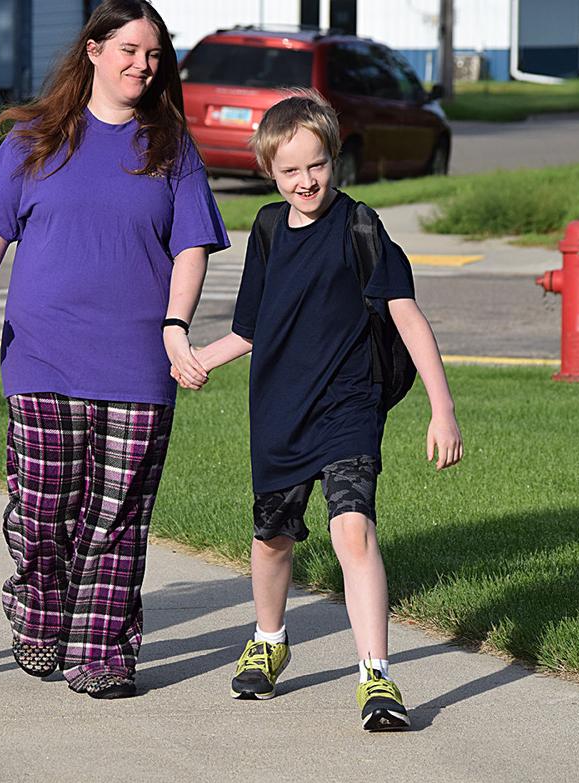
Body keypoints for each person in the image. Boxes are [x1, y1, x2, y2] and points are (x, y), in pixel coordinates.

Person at [0, 0, 229, 699]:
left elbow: (192, 245)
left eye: (155, 54)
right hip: (43, 353)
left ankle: (102, 651)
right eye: (131, 50)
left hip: (140, 361)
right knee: (44, 506)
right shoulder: (36, 139)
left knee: (119, 517)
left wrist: (175, 325)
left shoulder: (170, 146)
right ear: (95, 51)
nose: (143, 65)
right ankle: (41, 612)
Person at [185, 91, 463, 730]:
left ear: (333, 158)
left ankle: (377, 678)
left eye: (316, 165)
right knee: (272, 539)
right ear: (270, 173)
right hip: (280, 408)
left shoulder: (362, 227)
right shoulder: (265, 230)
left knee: (352, 530)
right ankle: (269, 637)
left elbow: (408, 318)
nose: (306, 181)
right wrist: (197, 358)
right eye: (290, 171)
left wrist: (441, 409)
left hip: (348, 406)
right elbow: (251, 329)